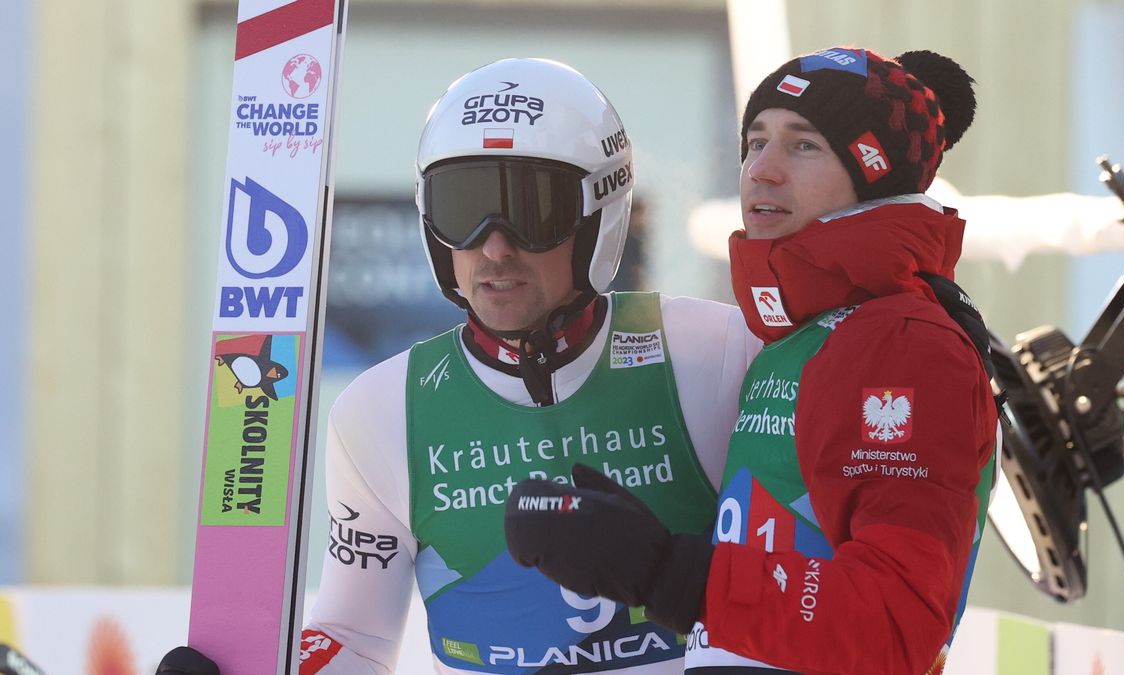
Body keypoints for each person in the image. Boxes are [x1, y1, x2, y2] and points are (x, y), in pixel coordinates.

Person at [160, 58, 759, 675]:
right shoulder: (382, 412)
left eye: (532, 211)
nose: (494, 247)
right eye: (461, 208)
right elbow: (356, 638)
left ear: (597, 217)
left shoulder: (715, 352)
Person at [505, 47, 998, 675]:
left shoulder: (901, 341)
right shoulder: (804, 337)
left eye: (804, 145)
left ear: (876, 176)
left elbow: (894, 622)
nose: (761, 170)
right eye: (755, 141)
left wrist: (660, 569)